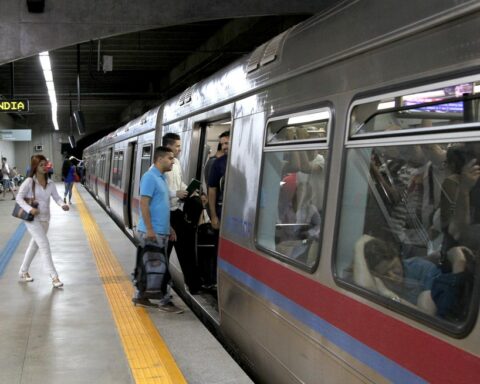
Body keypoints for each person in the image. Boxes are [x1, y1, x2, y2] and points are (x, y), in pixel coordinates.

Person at [353, 234, 468, 317]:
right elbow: (363, 288)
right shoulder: (376, 280)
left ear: (398, 257)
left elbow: (428, 318)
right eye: (385, 274)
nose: (392, 276)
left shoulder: (422, 269)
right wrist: (359, 246)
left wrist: (389, 295)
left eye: (394, 267)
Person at [133, 146, 184, 313]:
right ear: (160, 159)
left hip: (160, 230)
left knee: (148, 266)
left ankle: (141, 297)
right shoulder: (149, 177)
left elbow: (160, 206)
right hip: (152, 232)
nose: (173, 161)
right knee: (160, 269)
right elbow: (144, 204)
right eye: (170, 158)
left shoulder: (161, 178)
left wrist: (170, 228)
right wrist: (149, 230)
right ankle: (164, 301)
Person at [16, 155, 69, 288]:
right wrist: (29, 209)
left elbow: (56, 197)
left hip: (46, 219)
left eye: (45, 164)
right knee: (44, 245)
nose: (44, 167)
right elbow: (18, 198)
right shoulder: (29, 182)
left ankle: (23, 271)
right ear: (35, 167)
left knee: (34, 246)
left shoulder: (50, 183)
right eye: (41, 165)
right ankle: (54, 277)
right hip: (32, 219)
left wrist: (62, 204)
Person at [163, 132, 202, 294]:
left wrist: (190, 191)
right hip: (167, 215)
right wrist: (176, 193)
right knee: (163, 254)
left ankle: (194, 286)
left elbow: (180, 182)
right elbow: (160, 191)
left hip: (178, 212)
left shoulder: (176, 163)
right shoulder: (159, 168)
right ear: (168, 146)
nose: (180, 149)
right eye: (177, 146)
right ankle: (160, 287)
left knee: (186, 250)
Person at [208, 131, 230, 230]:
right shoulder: (218, 163)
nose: (223, 147)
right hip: (223, 210)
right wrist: (213, 216)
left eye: (226, 143)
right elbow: (212, 190)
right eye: (222, 144)